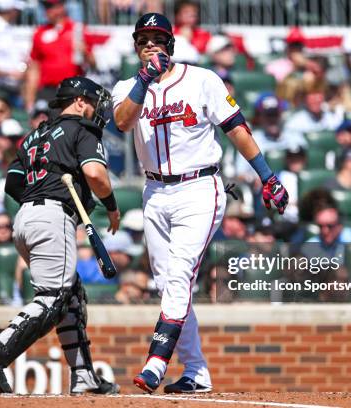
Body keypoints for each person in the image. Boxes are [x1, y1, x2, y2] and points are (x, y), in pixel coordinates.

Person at [111, 13, 288, 394]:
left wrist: (267, 175)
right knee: (169, 284)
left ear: (170, 44)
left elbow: (237, 128)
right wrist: (143, 80)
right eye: (143, 39)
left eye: (158, 38)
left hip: (199, 187)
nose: (150, 45)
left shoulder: (203, 79)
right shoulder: (127, 87)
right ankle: (196, 372)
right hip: (155, 192)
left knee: (179, 275)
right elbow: (122, 123)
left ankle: (158, 359)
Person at [0, 76, 120, 395]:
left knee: (71, 297)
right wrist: (111, 206)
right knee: (52, 298)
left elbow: (12, 184)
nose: (95, 110)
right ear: (80, 101)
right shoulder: (82, 128)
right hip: (52, 217)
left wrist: (38, 200)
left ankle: (84, 377)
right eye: (93, 103)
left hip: (24, 218)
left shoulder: (34, 135)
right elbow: (95, 174)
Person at [23, 0, 95, 111]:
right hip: (47, 91)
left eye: (51, 6)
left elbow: (93, 64)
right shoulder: (39, 33)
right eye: (46, 6)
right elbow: (34, 69)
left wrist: (85, 52)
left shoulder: (77, 29)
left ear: (61, 7)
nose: (47, 10)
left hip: (72, 90)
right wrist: (30, 101)